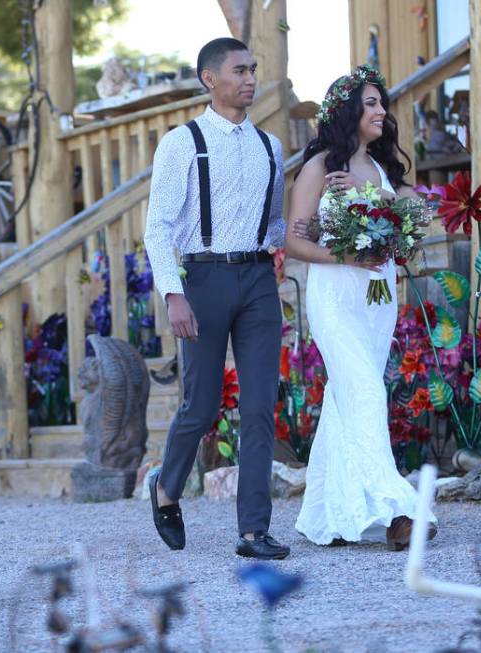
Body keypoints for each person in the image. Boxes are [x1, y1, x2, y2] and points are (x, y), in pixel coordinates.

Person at [143, 37, 289, 560]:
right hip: (201, 281)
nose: (250, 78)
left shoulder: (270, 146)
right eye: (239, 70)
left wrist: (280, 244)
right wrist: (173, 294)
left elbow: (273, 220)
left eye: (254, 69)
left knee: (259, 408)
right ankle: (166, 487)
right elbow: (157, 228)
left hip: (256, 284)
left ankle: (253, 531)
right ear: (210, 78)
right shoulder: (182, 142)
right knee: (200, 404)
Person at [284, 65, 438, 550]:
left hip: (377, 297)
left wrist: (387, 222)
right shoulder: (318, 168)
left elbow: (408, 225)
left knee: (348, 397)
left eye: (381, 103)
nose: (380, 111)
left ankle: (328, 514)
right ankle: (400, 512)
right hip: (335, 296)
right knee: (366, 391)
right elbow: (294, 241)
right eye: (369, 103)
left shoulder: (382, 170)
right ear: (347, 112)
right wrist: (348, 253)